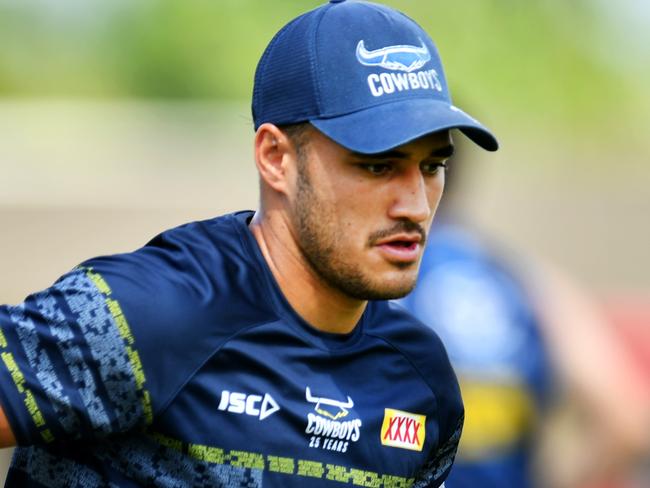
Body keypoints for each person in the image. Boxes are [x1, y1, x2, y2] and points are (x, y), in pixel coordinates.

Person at [0, 1, 498, 486]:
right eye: (377, 165)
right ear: (276, 158)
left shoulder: (420, 384)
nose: (414, 205)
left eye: (433, 167)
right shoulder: (155, 314)